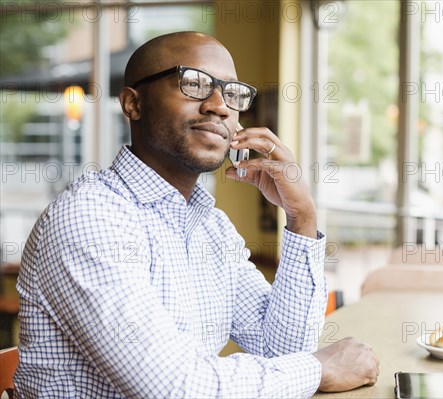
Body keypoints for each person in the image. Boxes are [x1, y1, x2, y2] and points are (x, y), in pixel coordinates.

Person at [14, 31, 379, 398]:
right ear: (132, 104)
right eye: (194, 83)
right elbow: (176, 388)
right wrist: (319, 369)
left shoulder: (211, 227)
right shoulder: (90, 217)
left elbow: (281, 350)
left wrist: (302, 219)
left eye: (232, 93)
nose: (219, 106)